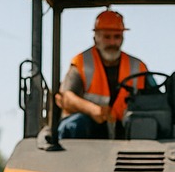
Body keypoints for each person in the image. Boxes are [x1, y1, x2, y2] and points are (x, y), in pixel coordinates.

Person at [55, 12, 147, 141]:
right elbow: (66, 97)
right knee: (74, 124)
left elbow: (156, 99)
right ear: (95, 38)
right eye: (107, 37)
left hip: (127, 129)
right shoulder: (81, 63)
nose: (112, 42)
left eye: (117, 37)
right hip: (89, 130)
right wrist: (93, 110)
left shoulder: (138, 67)